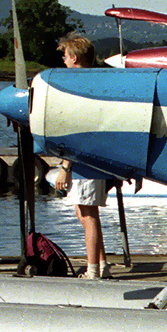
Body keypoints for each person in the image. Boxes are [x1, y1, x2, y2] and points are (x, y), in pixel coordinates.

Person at [51, 35, 113, 279]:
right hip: (90, 158)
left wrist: (65, 165)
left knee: (88, 214)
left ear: (74, 58)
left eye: (65, 57)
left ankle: (93, 270)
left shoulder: (79, 88)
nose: (64, 62)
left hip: (84, 160)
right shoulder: (96, 83)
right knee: (82, 211)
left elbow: (77, 131)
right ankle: (102, 262)